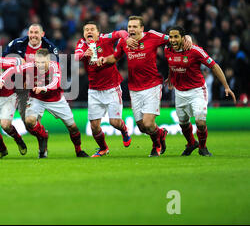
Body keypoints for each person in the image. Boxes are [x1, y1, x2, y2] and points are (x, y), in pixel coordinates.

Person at [99, 16, 192, 157]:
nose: (131, 29)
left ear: (142, 28)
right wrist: (105, 59)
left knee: (148, 123)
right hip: (134, 88)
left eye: (135, 27)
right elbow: (115, 57)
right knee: (142, 127)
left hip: (152, 85)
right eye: (129, 27)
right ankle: (161, 133)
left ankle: (156, 146)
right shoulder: (123, 42)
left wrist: (188, 37)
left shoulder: (153, 36)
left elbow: (173, 39)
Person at [0, 48, 89, 158]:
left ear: (49, 60)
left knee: (72, 127)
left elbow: (56, 83)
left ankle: (79, 150)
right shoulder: (30, 66)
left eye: (43, 62)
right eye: (37, 62)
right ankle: (43, 137)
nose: (40, 65)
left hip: (56, 100)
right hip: (37, 98)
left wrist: (43, 88)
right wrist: (1, 80)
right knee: (29, 121)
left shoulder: (55, 66)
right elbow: (12, 70)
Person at [164, 26, 236, 156]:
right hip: (179, 92)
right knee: (183, 123)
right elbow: (172, 64)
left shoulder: (195, 50)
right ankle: (191, 143)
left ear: (183, 37)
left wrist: (226, 86)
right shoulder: (167, 49)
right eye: (171, 37)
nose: (173, 40)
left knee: (200, 123)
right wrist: (170, 77)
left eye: (176, 37)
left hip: (197, 90)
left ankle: (202, 147)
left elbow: (214, 66)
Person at [74, 21, 132, 157]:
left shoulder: (105, 39)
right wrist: (84, 55)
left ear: (98, 32)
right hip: (94, 90)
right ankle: (103, 148)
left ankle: (124, 130)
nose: (89, 31)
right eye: (86, 29)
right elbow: (76, 56)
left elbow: (121, 33)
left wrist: (126, 38)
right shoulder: (82, 44)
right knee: (94, 126)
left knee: (114, 123)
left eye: (92, 29)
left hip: (112, 88)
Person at [2, 24, 59, 123]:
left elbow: (55, 69)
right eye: (31, 32)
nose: (33, 35)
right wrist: (16, 60)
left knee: (34, 120)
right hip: (19, 87)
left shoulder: (49, 47)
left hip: (38, 87)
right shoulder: (17, 44)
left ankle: (42, 136)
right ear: (28, 33)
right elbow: (2, 61)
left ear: (42, 34)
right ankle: (40, 134)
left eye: (36, 32)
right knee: (26, 121)